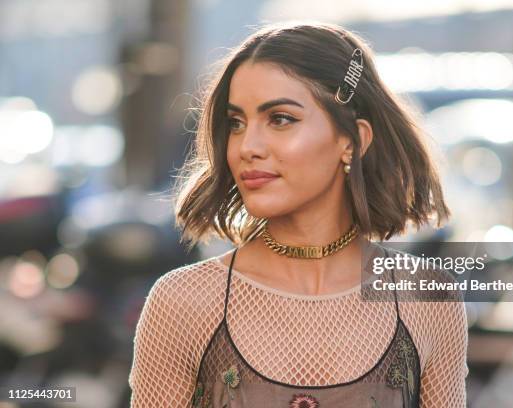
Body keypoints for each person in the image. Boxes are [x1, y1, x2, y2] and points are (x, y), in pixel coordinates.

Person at [128, 21, 468, 407]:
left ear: (352, 141)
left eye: (280, 119)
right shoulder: (183, 302)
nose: (247, 147)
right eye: (236, 123)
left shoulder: (426, 300)